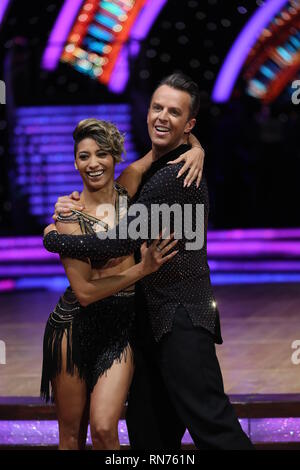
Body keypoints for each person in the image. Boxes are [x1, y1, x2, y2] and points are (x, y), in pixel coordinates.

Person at [43, 73, 254, 450]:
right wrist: (196, 143)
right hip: (148, 325)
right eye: (157, 107)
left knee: (212, 425)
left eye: (174, 112)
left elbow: (118, 242)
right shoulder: (157, 166)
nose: (161, 116)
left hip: (181, 320)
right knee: (149, 432)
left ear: (188, 124)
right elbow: (140, 167)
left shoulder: (174, 178)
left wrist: (51, 238)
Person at [40, 118, 180, 451]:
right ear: (75, 162)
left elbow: (159, 152)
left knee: (104, 429)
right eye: (84, 156)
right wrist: (142, 269)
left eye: (101, 154)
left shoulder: (126, 191)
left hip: (118, 332)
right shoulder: (69, 215)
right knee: (71, 436)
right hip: (72, 331)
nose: (93, 163)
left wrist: (198, 150)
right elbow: (86, 293)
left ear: (115, 157)